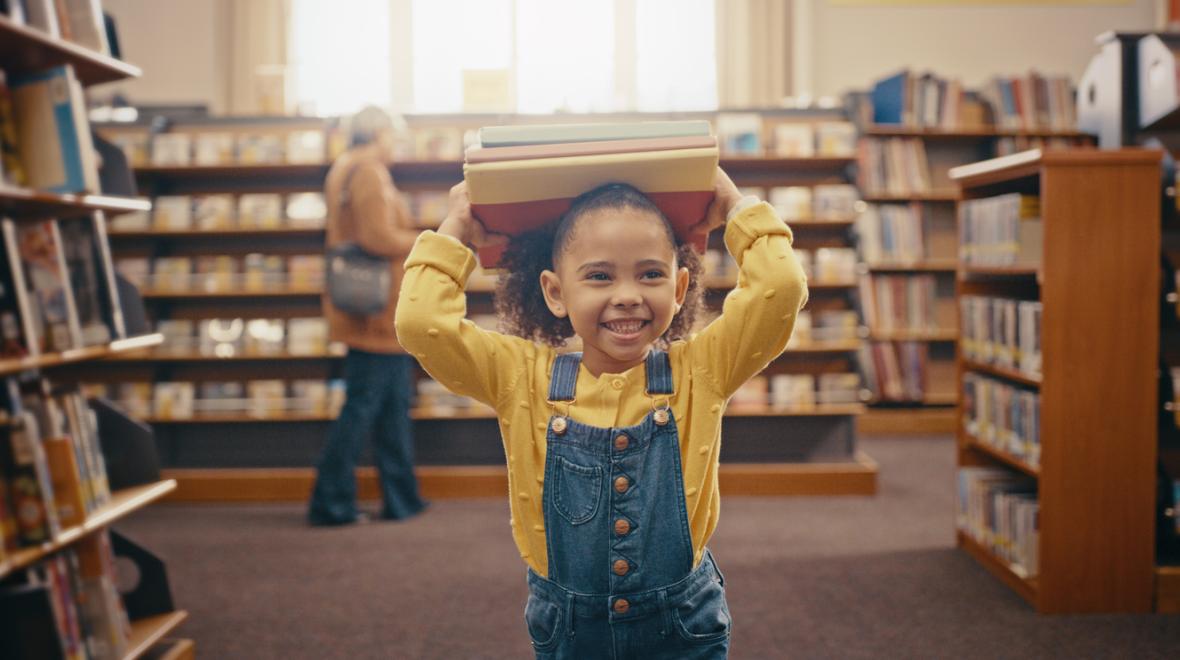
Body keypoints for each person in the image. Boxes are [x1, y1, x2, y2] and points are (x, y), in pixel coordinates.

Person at [395, 169, 808, 658]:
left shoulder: (703, 369)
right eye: (599, 276)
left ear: (680, 288)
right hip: (570, 630)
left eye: (650, 274)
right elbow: (419, 323)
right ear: (555, 292)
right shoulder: (521, 376)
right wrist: (455, 231)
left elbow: (781, 288)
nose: (628, 294)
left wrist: (735, 206)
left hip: (681, 625)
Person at [307, 106, 427, 526]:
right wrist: (426, 241)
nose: (396, 147)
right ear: (378, 132)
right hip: (376, 312)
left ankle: (402, 497)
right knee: (364, 408)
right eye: (394, 137)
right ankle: (330, 501)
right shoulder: (368, 170)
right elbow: (376, 237)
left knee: (390, 406)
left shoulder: (345, 166)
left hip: (372, 310)